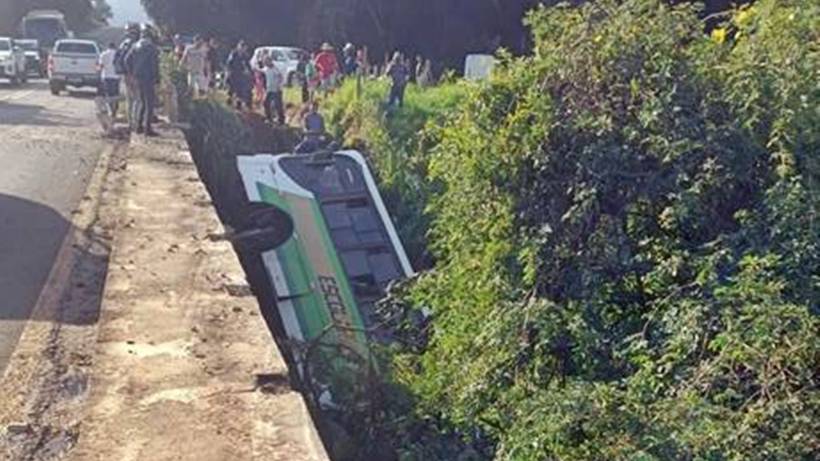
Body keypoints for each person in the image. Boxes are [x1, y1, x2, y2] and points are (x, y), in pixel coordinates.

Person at [125, 25, 161, 136]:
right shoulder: (152, 47)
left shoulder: (135, 46)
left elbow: (126, 60)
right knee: (149, 103)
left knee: (141, 101)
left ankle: (138, 126)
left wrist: (131, 73)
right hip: (149, 77)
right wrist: (157, 78)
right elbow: (155, 65)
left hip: (138, 77)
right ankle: (147, 129)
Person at [115, 23, 140, 130]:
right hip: (134, 75)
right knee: (138, 99)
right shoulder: (136, 44)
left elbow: (117, 59)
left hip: (125, 75)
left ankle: (130, 122)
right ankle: (135, 122)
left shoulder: (123, 44)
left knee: (129, 99)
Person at [226, 41, 252, 110]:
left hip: (241, 75)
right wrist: (229, 72)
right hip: (233, 74)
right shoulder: (234, 54)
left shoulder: (245, 56)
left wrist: (249, 71)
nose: (242, 49)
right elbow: (229, 63)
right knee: (231, 89)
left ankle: (238, 104)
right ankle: (229, 102)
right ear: (238, 46)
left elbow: (248, 65)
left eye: (244, 47)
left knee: (240, 90)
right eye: (241, 47)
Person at [98, 42, 120, 118]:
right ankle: (115, 109)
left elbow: (101, 66)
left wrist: (97, 70)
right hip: (116, 76)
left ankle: (110, 110)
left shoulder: (103, 54)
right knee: (115, 94)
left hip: (106, 76)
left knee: (108, 94)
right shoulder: (118, 54)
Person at [262, 57, 285, 125]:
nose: (265, 63)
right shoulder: (266, 69)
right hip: (269, 89)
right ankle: (269, 118)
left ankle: (281, 120)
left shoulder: (275, 69)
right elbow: (262, 71)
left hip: (276, 89)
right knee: (266, 103)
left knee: (278, 105)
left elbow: (280, 77)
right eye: (265, 62)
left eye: (267, 61)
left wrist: (279, 85)